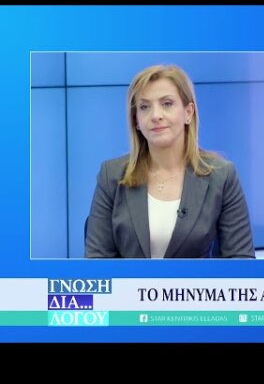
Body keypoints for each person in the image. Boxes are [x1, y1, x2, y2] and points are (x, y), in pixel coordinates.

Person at [85, 65, 255, 258]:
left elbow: (241, 259)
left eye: (167, 103)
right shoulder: (111, 176)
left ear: (188, 112)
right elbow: (97, 261)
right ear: (136, 120)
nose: (156, 115)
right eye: (144, 107)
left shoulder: (222, 177)